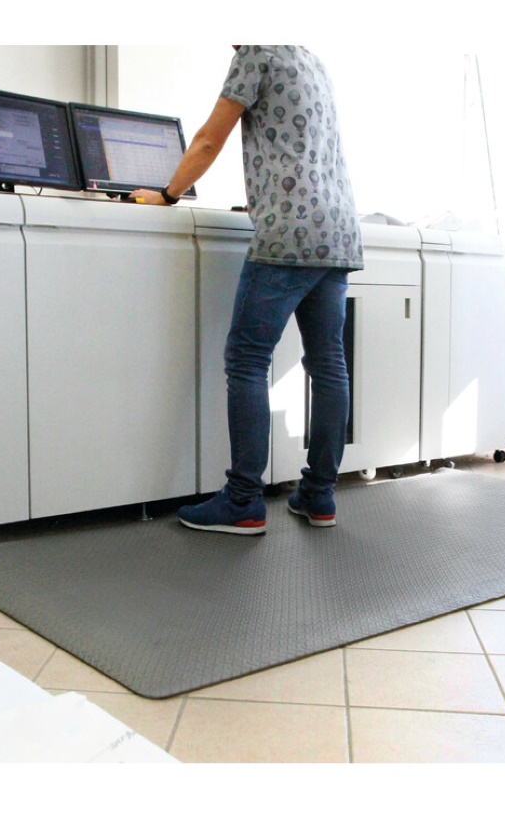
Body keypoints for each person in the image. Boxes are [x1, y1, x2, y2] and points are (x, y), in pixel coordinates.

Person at [131, 45, 363, 535]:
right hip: (337, 228)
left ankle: (243, 501)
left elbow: (208, 141)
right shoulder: (309, 57)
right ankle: (319, 495)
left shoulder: (257, 50)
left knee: (247, 359)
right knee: (328, 363)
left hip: (289, 232)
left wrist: (167, 195)